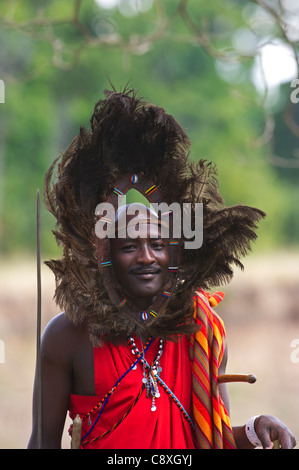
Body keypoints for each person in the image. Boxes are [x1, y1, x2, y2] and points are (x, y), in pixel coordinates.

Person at [28, 87, 296, 449]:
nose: (146, 257)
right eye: (128, 246)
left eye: (157, 245)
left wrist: (254, 429)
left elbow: (208, 436)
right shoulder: (68, 336)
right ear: (104, 258)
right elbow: (41, 444)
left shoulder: (201, 331)